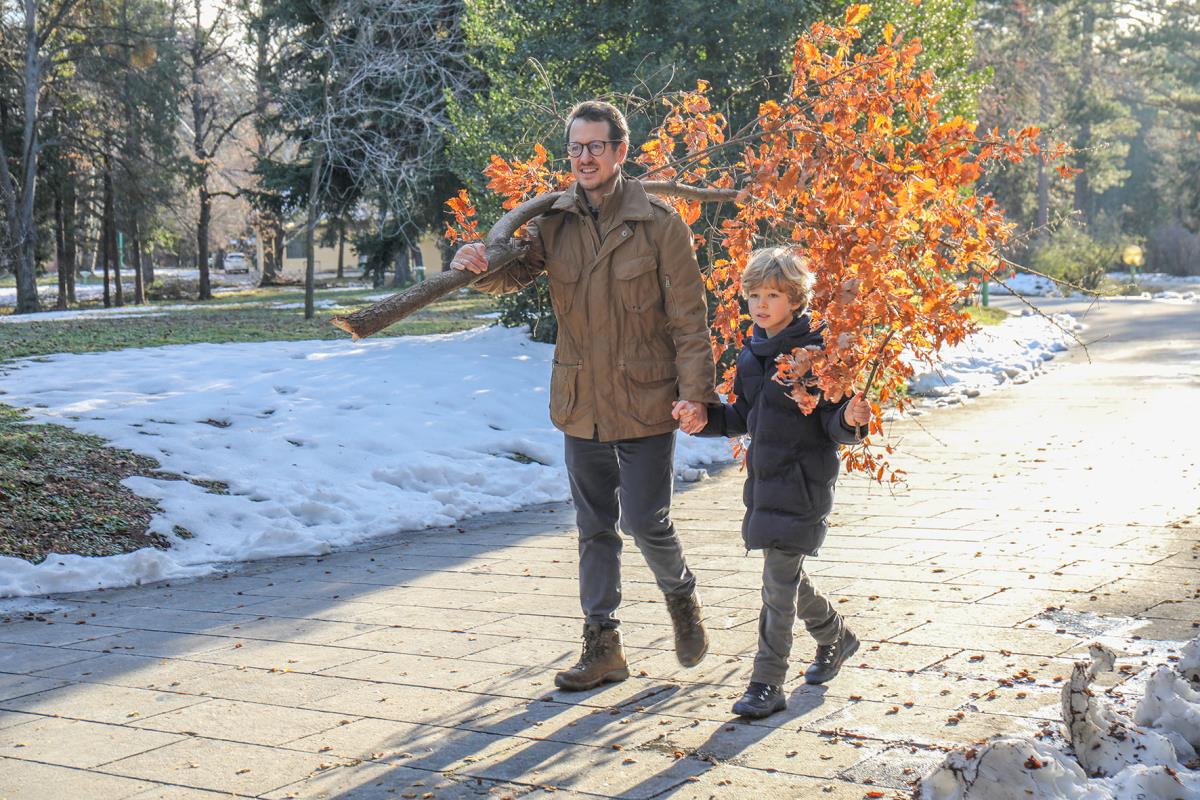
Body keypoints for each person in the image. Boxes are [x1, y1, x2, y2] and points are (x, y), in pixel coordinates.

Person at [451, 100, 719, 691]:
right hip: (581, 401)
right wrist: (472, 263)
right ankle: (603, 646)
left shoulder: (659, 223)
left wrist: (696, 394)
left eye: (596, 146)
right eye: (575, 147)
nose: (584, 157)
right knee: (594, 526)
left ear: (621, 152)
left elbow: (689, 319)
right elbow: (509, 274)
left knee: (647, 521)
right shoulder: (555, 220)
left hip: (646, 399)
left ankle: (681, 597)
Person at [674, 246, 870, 719]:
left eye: (773, 295)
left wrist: (851, 417)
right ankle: (835, 636)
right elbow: (744, 415)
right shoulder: (752, 353)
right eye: (754, 294)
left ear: (796, 299)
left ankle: (766, 682)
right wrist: (705, 418)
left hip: (805, 480)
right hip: (763, 481)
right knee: (783, 577)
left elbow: (832, 424)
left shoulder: (819, 351)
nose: (761, 304)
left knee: (776, 584)